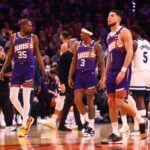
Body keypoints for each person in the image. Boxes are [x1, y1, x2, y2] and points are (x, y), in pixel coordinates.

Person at [102, 10, 149, 144]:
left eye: (111, 15)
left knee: (120, 102)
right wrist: (105, 75)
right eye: (108, 16)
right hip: (111, 71)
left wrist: (123, 70)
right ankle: (116, 133)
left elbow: (129, 52)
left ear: (119, 18)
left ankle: (140, 120)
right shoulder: (109, 36)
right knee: (110, 102)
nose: (108, 18)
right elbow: (109, 58)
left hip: (123, 70)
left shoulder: (124, 31)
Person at [0, 18, 46, 137]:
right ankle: (28, 118)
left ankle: (24, 126)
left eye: (31, 25)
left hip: (29, 68)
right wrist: (3, 69)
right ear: (22, 26)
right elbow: (10, 54)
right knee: (12, 97)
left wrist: (43, 70)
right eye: (28, 26)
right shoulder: (14, 37)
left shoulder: (34, 38)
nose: (30, 27)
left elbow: (38, 55)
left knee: (26, 98)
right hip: (17, 68)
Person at [68, 27, 105, 136]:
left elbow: (102, 63)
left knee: (90, 100)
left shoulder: (96, 45)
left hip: (90, 75)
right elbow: (74, 62)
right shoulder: (78, 45)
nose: (80, 35)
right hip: (79, 75)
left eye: (82, 33)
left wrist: (103, 77)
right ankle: (87, 122)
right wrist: (70, 76)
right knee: (77, 100)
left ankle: (91, 126)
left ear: (88, 34)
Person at [129, 25, 150, 131]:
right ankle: (146, 123)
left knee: (139, 99)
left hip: (138, 72)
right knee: (146, 100)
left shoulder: (134, 43)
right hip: (148, 72)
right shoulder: (147, 43)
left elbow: (129, 58)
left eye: (129, 32)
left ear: (134, 33)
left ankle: (142, 126)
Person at [0, 46, 14, 130]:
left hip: (5, 86)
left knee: (6, 106)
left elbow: (12, 73)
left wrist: (3, 75)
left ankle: (9, 124)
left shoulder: (7, 62)